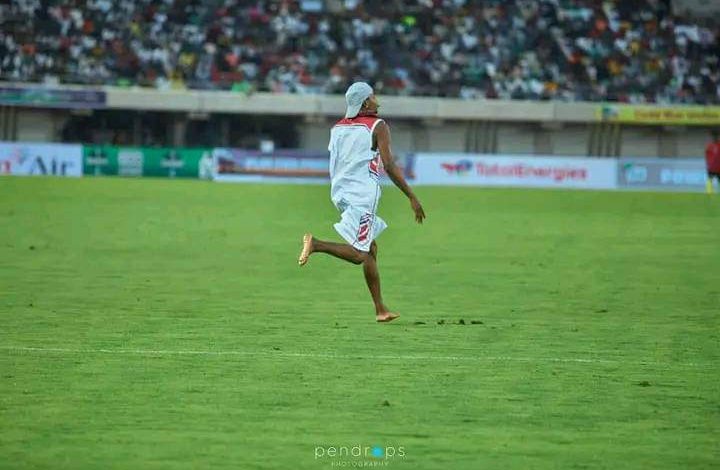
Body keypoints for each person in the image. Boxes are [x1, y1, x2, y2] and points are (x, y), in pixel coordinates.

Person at [297, 82, 426, 322]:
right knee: (359, 253)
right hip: (363, 195)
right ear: (366, 103)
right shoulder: (378, 126)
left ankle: (380, 309)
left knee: (370, 249)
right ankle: (316, 244)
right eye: (373, 96)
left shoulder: (338, 128)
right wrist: (412, 196)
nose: (377, 99)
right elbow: (388, 165)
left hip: (340, 192)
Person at [706, 130, 720, 194]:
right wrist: (708, 164)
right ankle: (709, 192)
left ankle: (709, 192)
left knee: (710, 180)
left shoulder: (711, 146)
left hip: (718, 167)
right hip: (712, 167)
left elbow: (707, 155)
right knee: (709, 180)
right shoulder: (710, 146)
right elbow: (707, 155)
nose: (716, 139)